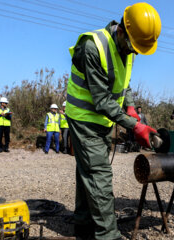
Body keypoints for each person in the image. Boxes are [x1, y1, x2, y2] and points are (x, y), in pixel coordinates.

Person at [65, 3, 161, 239]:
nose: (134, 52)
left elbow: (124, 82)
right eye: (133, 46)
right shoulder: (92, 46)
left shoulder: (127, 48)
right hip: (85, 119)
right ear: (121, 31)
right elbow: (101, 100)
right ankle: (108, 235)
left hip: (103, 121)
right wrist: (135, 125)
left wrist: (130, 106)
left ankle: (83, 223)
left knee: (87, 169)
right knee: (99, 174)